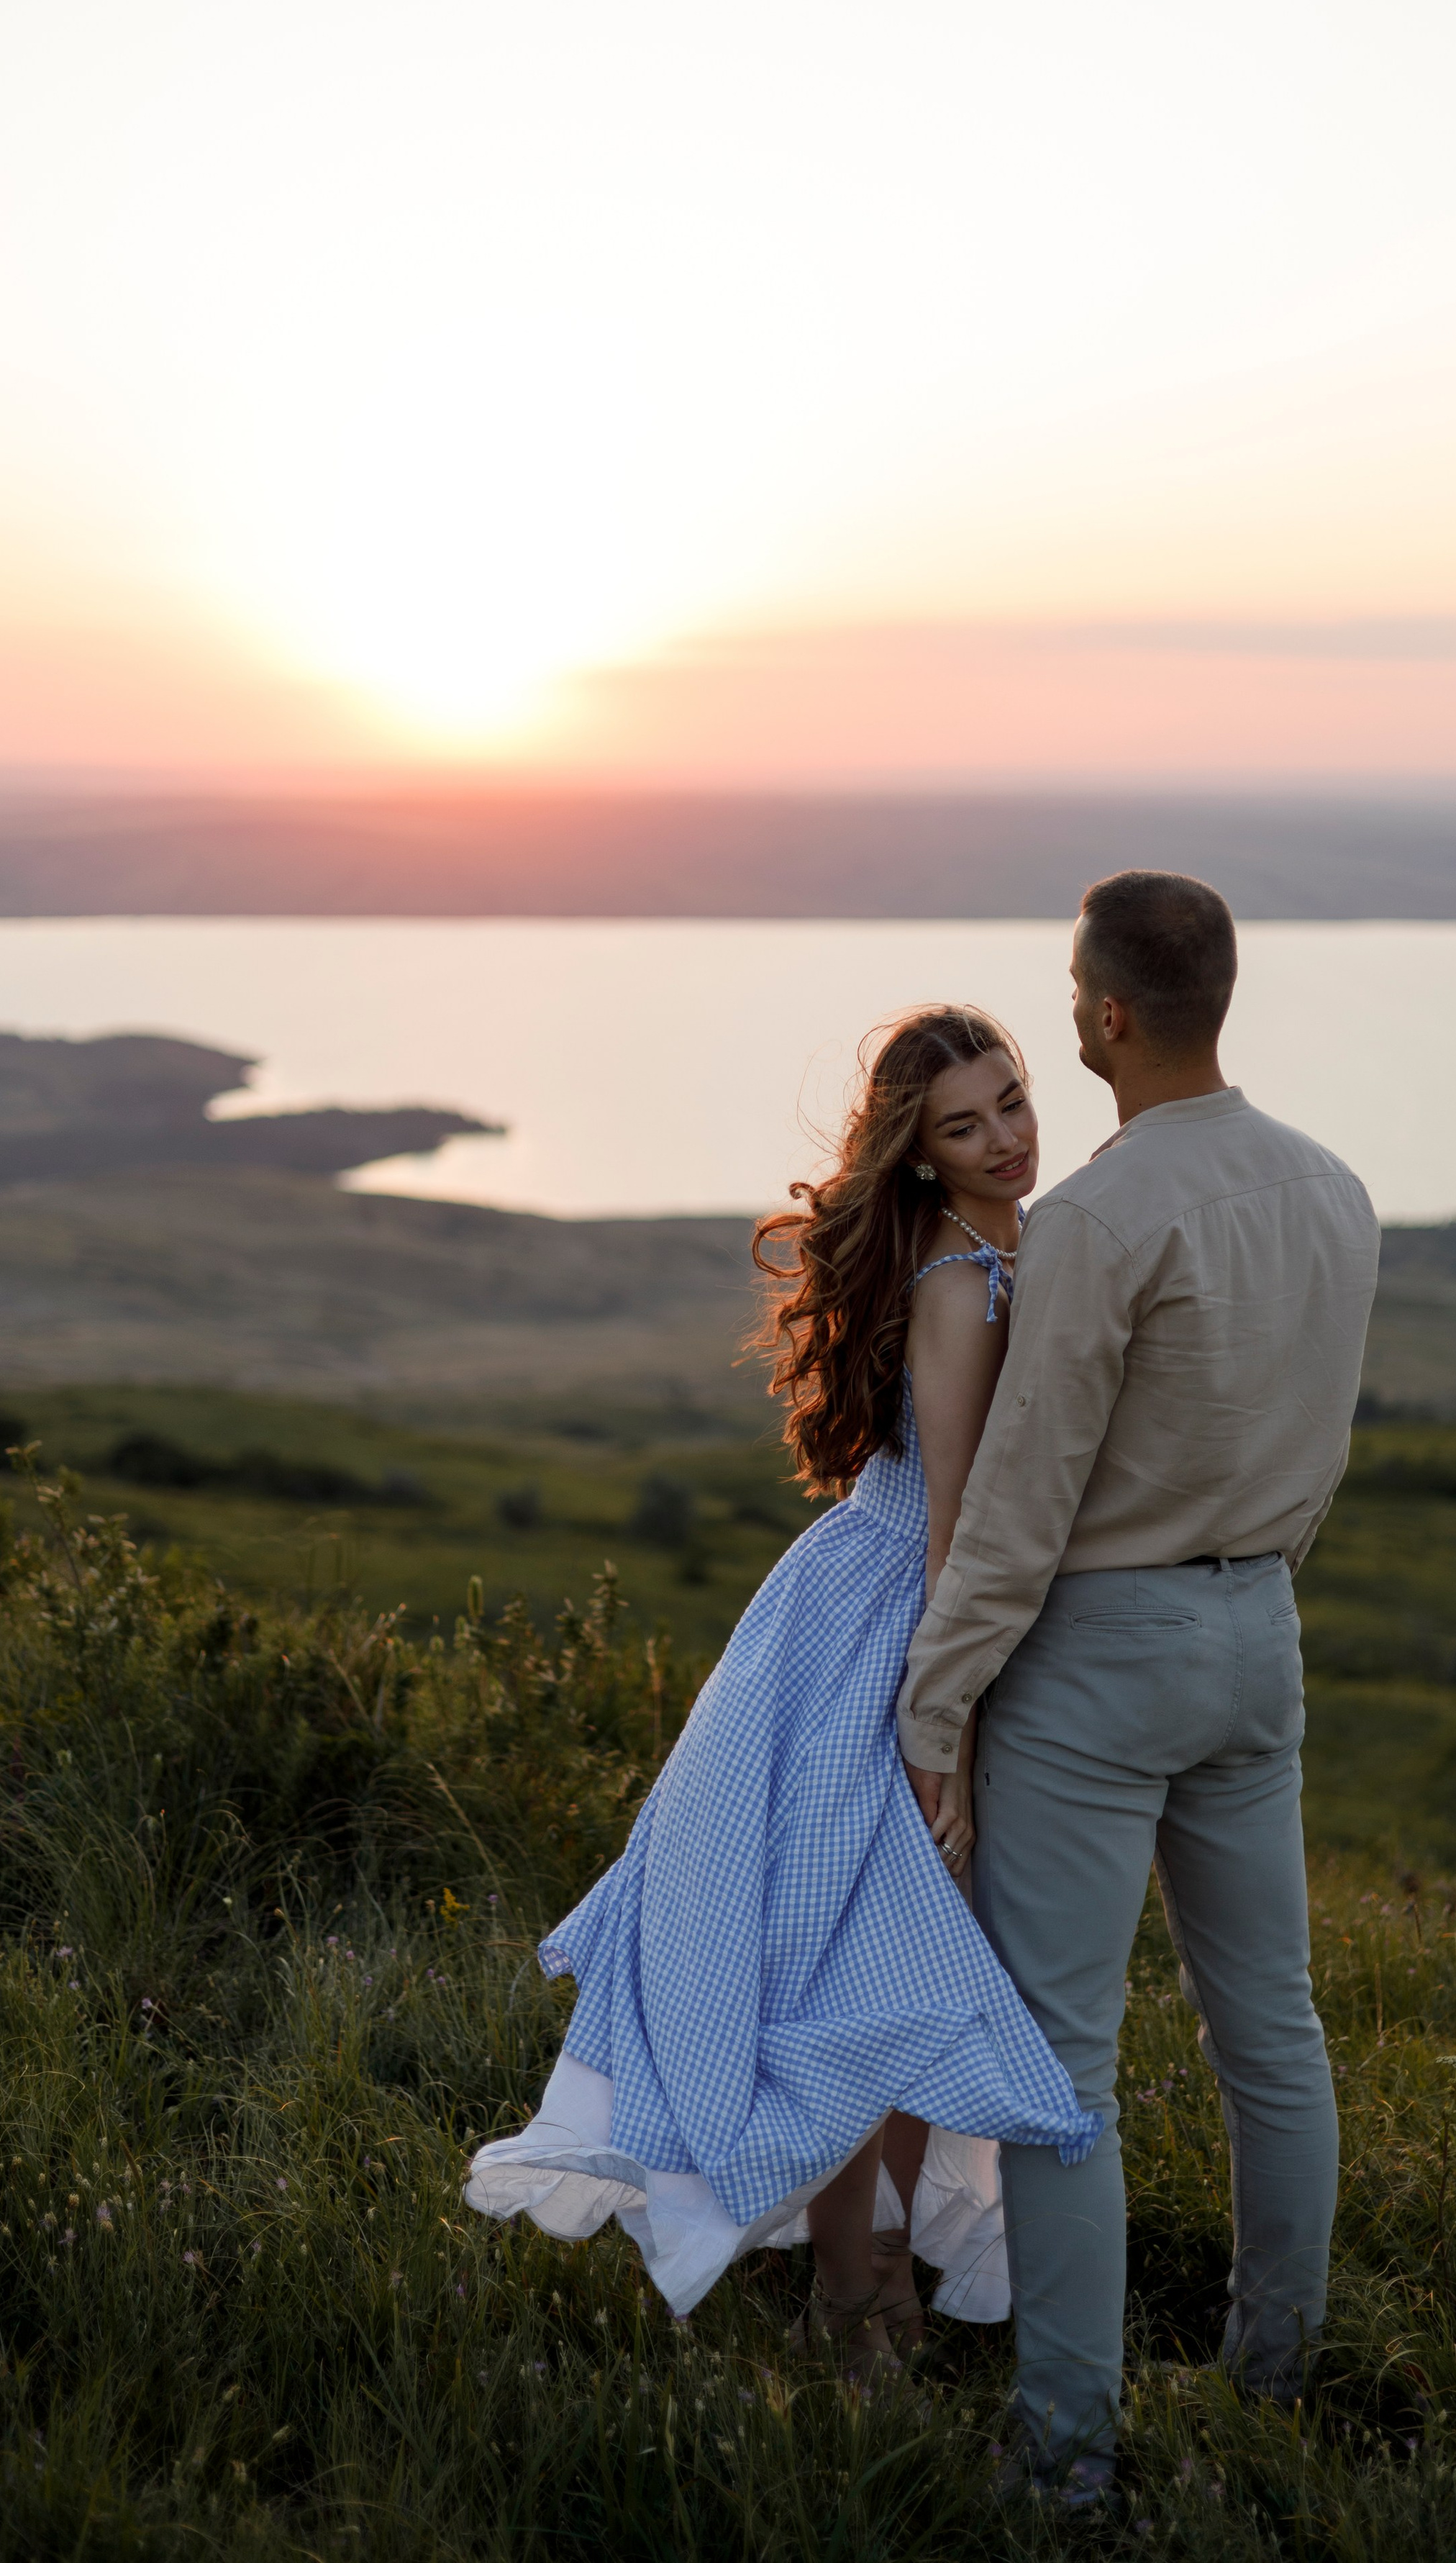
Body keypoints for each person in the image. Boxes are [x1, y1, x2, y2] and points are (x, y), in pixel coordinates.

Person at [465, 1005, 1100, 2371]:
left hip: (904, 1609)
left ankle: (878, 2285)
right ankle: (849, 2290)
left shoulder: (1015, 1244)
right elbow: (951, 1528)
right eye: (966, 1123)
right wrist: (951, 1722)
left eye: (1014, 1099)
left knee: (905, 1965)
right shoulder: (958, 1276)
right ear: (920, 1156)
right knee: (856, 1967)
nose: (1007, 1136)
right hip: (884, 1630)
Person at [898, 871, 1380, 2501]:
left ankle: (1065, 2449)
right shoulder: (1332, 1190)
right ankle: (1275, 2373)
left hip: (1097, 1658)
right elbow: (1316, 1449)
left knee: (1058, 2057)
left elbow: (1018, 1509)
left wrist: (933, 1707)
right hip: (1259, 1631)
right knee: (1270, 2027)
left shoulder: (1097, 1219)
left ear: (1102, 1013)